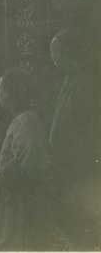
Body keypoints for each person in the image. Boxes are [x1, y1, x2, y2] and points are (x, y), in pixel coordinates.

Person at [0, 67, 49, 250]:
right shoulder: (21, 119)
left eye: (0, 87)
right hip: (12, 198)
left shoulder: (27, 120)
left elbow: (30, 162)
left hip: (20, 200)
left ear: (9, 92)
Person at [48, 28, 101, 249]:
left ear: (68, 51)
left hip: (78, 168)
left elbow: (86, 131)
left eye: (56, 52)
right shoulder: (68, 80)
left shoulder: (85, 83)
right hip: (64, 167)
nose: (53, 58)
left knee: (81, 225)